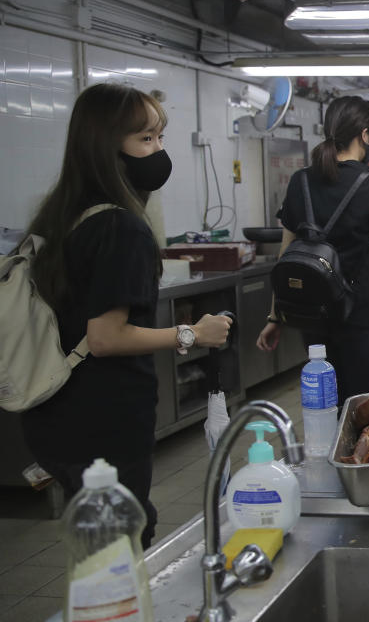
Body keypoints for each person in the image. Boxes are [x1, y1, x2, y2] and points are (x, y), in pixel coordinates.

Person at [20, 84, 233, 550]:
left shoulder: (61, 215)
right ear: (106, 146)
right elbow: (105, 337)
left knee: (100, 535)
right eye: (146, 140)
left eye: (159, 137)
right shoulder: (119, 227)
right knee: (123, 536)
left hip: (57, 412)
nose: (159, 152)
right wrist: (193, 333)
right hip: (101, 413)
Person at [257, 96, 369, 404]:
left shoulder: (300, 180)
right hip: (360, 315)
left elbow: (286, 256)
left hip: (312, 313)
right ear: (365, 135)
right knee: (362, 404)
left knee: (325, 402)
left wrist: (275, 316)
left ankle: (325, 451)